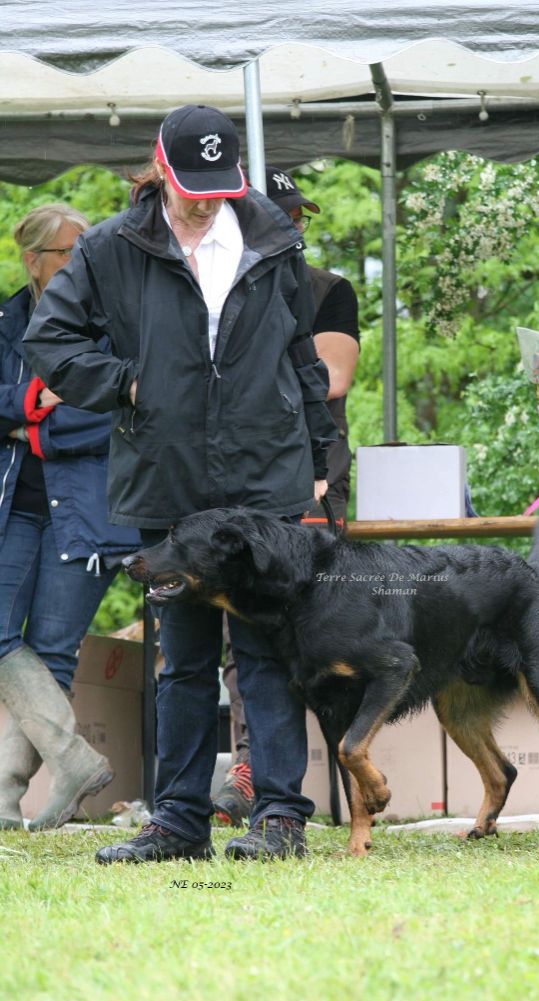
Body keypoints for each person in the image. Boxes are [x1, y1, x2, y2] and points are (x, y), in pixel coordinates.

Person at [24, 105, 337, 862]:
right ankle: (178, 821)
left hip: (265, 475)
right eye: (191, 184)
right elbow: (50, 341)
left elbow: (301, 352)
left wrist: (325, 454)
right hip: (168, 478)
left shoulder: (271, 237)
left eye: (218, 185)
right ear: (160, 170)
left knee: (265, 651)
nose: (204, 199)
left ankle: (280, 816)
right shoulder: (109, 247)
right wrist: (128, 384)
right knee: (185, 658)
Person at [213, 166, 360, 826]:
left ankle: (350, 776)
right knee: (245, 634)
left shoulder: (328, 289)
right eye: (286, 216)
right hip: (234, 480)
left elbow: (330, 377)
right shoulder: (210, 288)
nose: (296, 226)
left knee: (325, 632)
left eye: (301, 217)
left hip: (312, 480)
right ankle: (253, 770)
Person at [0, 203, 140, 831]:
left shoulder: (111, 319)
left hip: (85, 507)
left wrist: (25, 428)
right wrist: (32, 400)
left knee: (53, 649)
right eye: (70, 251)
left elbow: (110, 410)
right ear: (35, 261)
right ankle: (73, 758)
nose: (85, 259)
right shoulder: (6, 319)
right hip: (15, 505)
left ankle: (4, 799)